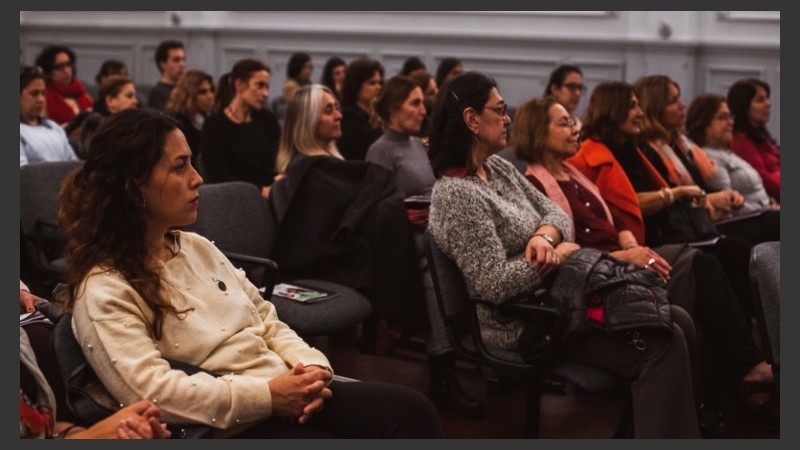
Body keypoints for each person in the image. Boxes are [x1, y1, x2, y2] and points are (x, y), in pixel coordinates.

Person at [58, 107, 444, 439]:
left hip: (284, 387)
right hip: (232, 423)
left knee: (412, 411)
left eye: (191, 162)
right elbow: (153, 392)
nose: (197, 178)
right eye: (179, 166)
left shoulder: (195, 247)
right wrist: (270, 396)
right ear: (134, 187)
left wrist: (312, 369)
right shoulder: (105, 287)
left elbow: (266, 320)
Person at [427, 71, 699, 438]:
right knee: (664, 341)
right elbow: (493, 284)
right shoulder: (456, 195)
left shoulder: (499, 168)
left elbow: (557, 215)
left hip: (559, 300)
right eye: (500, 110)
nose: (507, 119)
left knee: (678, 318)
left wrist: (544, 237)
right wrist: (559, 255)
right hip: (524, 323)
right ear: (472, 120)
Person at [511, 96, 777, 429]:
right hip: (597, 274)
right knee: (701, 269)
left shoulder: (573, 174)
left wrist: (633, 246)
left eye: (573, 121)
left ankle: (723, 386)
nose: (575, 127)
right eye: (564, 123)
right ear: (538, 133)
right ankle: (735, 380)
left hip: (622, 258)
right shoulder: (534, 184)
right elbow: (566, 254)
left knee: (708, 264)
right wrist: (626, 257)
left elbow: (617, 220)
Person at [273, 84, 428, 350]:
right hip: (324, 258)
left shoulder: (331, 163)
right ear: (308, 120)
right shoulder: (309, 169)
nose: (339, 115)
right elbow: (322, 228)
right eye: (328, 110)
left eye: (337, 108)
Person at [366, 76, 484, 417]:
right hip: (406, 241)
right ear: (393, 107)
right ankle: (443, 377)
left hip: (434, 229)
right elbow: (378, 211)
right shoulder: (380, 151)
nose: (423, 110)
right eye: (415, 103)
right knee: (434, 271)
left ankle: (485, 347)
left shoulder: (418, 144)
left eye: (422, 103)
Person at [633, 75, 777, 248]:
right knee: (767, 227)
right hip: (681, 230)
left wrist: (729, 197)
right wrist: (713, 199)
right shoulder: (648, 150)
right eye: (673, 101)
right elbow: (671, 201)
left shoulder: (680, 145)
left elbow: (701, 188)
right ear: (655, 108)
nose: (682, 105)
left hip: (703, 221)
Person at [200, 58, 281, 199]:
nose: (265, 94)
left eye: (267, 87)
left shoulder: (267, 119)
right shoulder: (214, 125)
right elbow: (220, 176)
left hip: (274, 191)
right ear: (239, 85)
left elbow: (282, 158)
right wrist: (259, 190)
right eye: (260, 86)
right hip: (240, 198)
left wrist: (282, 177)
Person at [686, 93, 780, 214]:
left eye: (730, 117)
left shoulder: (726, 152)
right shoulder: (708, 156)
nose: (730, 122)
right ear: (703, 123)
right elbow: (727, 205)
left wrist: (772, 205)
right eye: (723, 117)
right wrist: (768, 211)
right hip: (751, 219)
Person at [727, 78, 780, 202]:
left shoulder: (760, 135)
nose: (768, 104)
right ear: (744, 106)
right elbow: (763, 180)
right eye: (760, 100)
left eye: (767, 98)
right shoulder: (740, 141)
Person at [20, 65, 78, 166]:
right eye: (34, 94)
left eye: (43, 93)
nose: (41, 99)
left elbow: (74, 165)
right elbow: (23, 172)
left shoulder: (54, 127)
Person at [166, 69, 215, 171]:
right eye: (203, 92)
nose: (210, 96)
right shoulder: (178, 124)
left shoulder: (212, 120)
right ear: (189, 95)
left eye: (211, 90)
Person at [78, 75, 139, 158]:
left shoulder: (135, 125)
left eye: (135, 97)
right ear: (110, 100)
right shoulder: (95, 124)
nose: (135, 101)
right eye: (129, 96)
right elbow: (97, 157)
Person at [34, 45, 94, 127]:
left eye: (68, 64)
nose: (66, 70)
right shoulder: (43, 96)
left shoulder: (81, 91)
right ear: (48, 71)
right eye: (59, 67)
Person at [337, 58, 384, 161]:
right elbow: (370, 149)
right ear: (356, 86)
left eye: (380, 83)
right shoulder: (348, 118)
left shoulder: (373, 114)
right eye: (372, 83)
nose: (378, 87)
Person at [147, 40, 186, 112]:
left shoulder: (187, 89)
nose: (182, 64)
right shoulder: (157, 94)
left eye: (183, 59)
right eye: (176, 60)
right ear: (163, 64)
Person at [408, 70, 438, 139]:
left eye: (436, 88)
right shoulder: (416, 125)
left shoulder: (438, 116)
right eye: (431, 93)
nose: (437, 94)